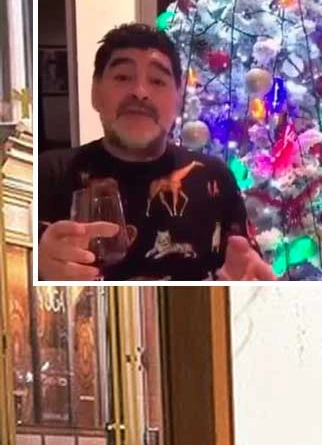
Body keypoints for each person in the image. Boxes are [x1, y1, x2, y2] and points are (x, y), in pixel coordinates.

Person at [37, 23, 275, 281]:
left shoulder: (215, 178)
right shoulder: (48, 174)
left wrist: (246, 286)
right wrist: (37, 268)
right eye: (122, 77)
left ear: (178, 98)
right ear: (95, 92)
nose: (140, 92)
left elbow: (243, 266)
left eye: (158, 80)